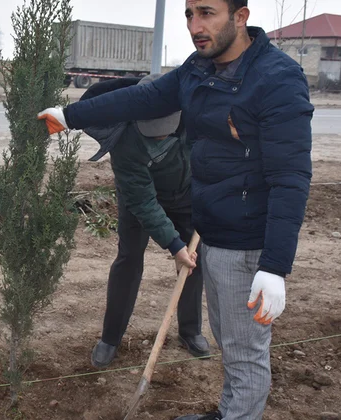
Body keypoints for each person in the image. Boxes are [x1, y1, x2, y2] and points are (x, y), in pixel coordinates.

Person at [37, 1, 313, 418]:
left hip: (248, 243)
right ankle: (229, 412)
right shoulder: (199, 68)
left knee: (245, 354)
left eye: (207, 13)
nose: (194, 26)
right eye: (189, 14)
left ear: (241, 16)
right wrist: (70, 114)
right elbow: (142, 97)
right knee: (229, 342)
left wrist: (274, 265)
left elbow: (290, 177)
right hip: (215, 231)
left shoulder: (276, 79)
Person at [81, 74, 210, 369]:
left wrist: (182, 248)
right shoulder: (124, 141)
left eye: (164, 130)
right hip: (139, 198)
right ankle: (111, 338)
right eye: (151, 131)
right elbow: (143, 202)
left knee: (193, 260)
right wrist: (172, 245)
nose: (159, 136)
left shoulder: (197, 116)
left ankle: (190, 331)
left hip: (187, 193)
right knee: (128, 259)